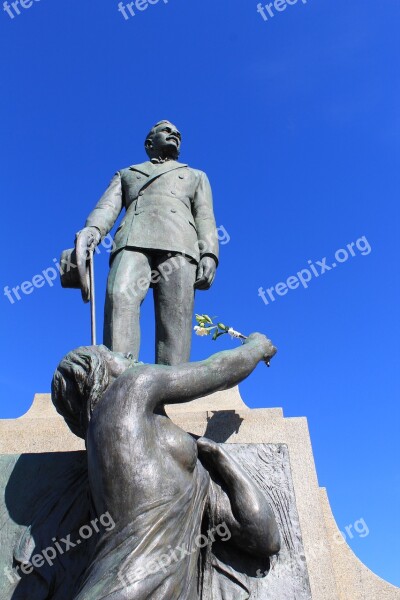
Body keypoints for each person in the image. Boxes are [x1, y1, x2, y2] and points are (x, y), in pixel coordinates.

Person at [50, 333, 280, 599]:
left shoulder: (172, 469)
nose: (125, 354)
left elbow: (266, 539)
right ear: (95, 374)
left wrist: (220, 458)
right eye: (108, 352)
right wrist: (256, 347)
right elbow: (216, 371)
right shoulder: (130, 386)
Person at [76, 120, 219, 365]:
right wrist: (92, 231)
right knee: (119, 297)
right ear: (149, 143)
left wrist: (209, 254)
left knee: (175, 319)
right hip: (132, 239)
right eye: (166, 130)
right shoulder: (127, 174)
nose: (174, 134)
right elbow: (107, 208)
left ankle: (170, 387)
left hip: (180, 244)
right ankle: (118, 376)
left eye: (177, 133)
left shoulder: (196, 176)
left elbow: (205, 215)